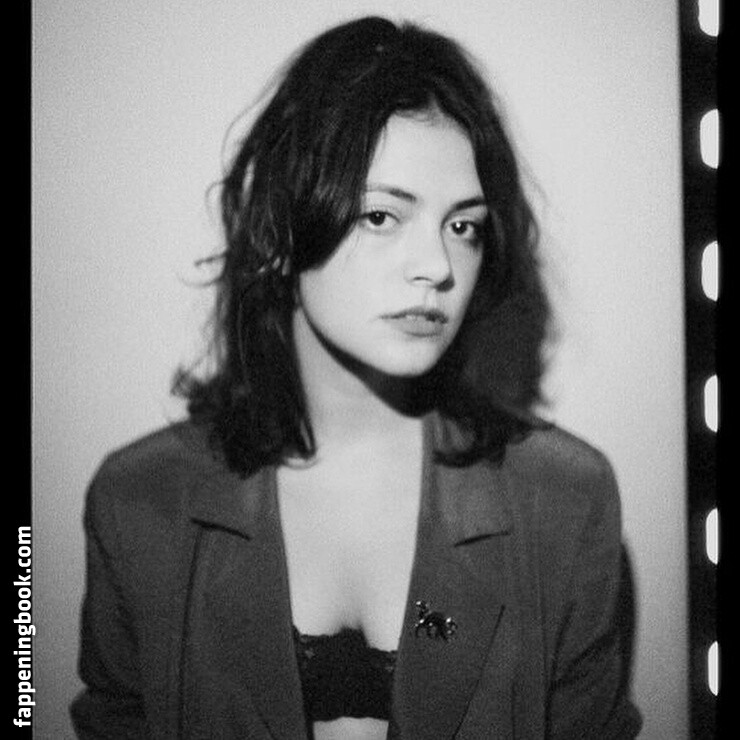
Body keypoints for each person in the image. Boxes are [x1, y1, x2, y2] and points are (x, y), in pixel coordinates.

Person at [70, 15, 642, 740]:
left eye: (462, 225)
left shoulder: (564, 502)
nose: (436, 266)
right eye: (381, 215)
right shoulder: (139, 503)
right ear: (282, 232)